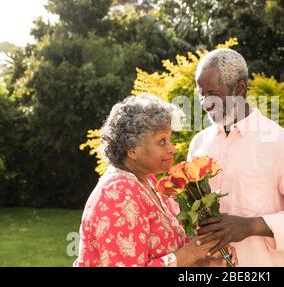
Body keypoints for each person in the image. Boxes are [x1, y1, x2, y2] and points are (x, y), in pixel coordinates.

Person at [188, 49, 284, 266]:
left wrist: (251, 226)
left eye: (212, 93)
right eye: (201, 94)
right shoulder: (199, 143)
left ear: (240, 88)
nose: (205, 103)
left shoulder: (281, 142)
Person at [74, 93, 229, 267]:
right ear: (132, 149)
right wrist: (191, 253)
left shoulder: (149, 183)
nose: (172, 148)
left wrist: (201, 262)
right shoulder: (118, 193)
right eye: (162, 141)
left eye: (170, 139)